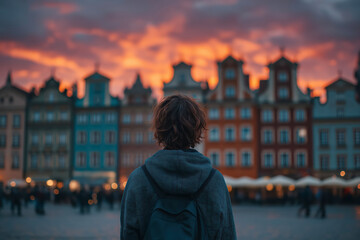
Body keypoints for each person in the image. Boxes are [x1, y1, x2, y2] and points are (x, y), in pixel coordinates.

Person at [121, 95, 236, 240]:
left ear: (159, 129)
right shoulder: (214, 181)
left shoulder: (138, 179)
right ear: (197, 130)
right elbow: (227, 234)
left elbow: (128, 233)